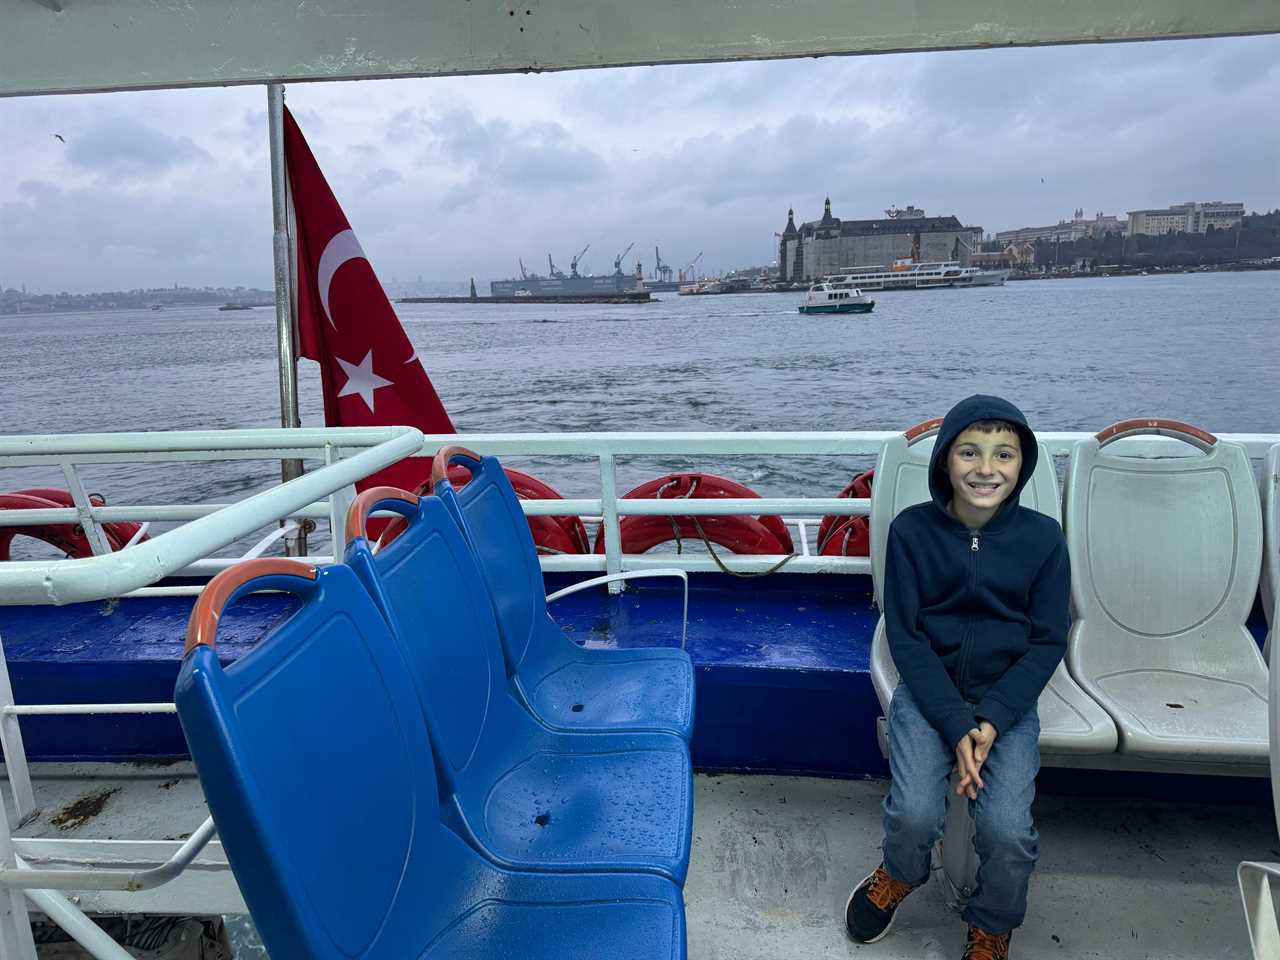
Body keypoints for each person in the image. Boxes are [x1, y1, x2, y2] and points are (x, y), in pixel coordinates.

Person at [844, 395, 1070, 960]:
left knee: (1008, 833)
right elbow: (906, 636)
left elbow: (1047, 641)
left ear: (1024, 465)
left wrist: (990, 722)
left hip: (1006, 703)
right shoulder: (911, 532)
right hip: (928, 694)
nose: (986, 468)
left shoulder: (1043, 539)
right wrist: (953, 722)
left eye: (1004, 454)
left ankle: (993, 922)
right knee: (916, 813)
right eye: (969, 452)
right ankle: (900, 872)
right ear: (945, 460)